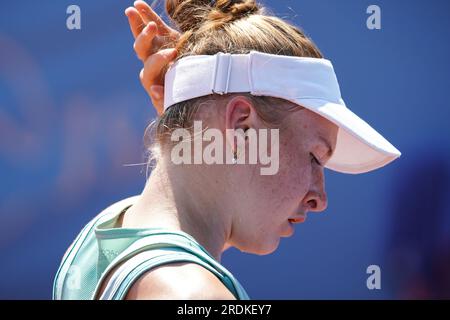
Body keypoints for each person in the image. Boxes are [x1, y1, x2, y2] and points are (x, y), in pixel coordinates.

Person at [53, 0, 401, 300]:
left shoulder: (109, 231)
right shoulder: (195, 293)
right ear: (241, 126)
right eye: (314, 157)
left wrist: (192, 123)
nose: (319, 198)